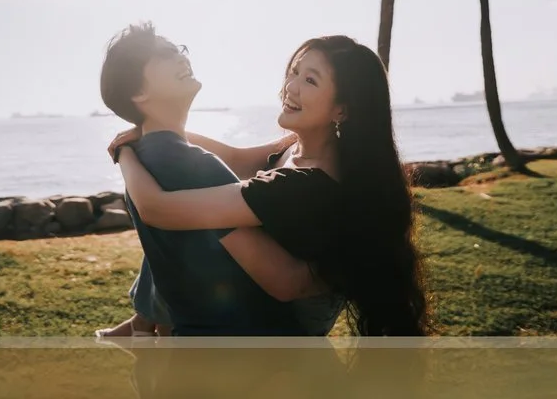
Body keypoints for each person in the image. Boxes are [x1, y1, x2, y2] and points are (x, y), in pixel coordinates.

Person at [114, 35, 430, 336]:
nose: (291, 87)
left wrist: (124, 154)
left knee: (193, 221)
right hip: (272, 298)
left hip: (289, 323)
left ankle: (149, 322)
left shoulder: (306, 185)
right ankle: (148, 320)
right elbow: (237, 158)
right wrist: (159, 132)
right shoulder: (307, 145)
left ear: (341, 110)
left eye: (311, 80)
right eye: (295, 72)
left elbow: (157, 209)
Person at [91, 23, 313, 337]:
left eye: (179, 49)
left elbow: (240, 158)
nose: (182, 57)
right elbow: (285, 280)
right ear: (139, 92)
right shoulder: (192, 166)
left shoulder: (149, 156)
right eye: (166, 54)